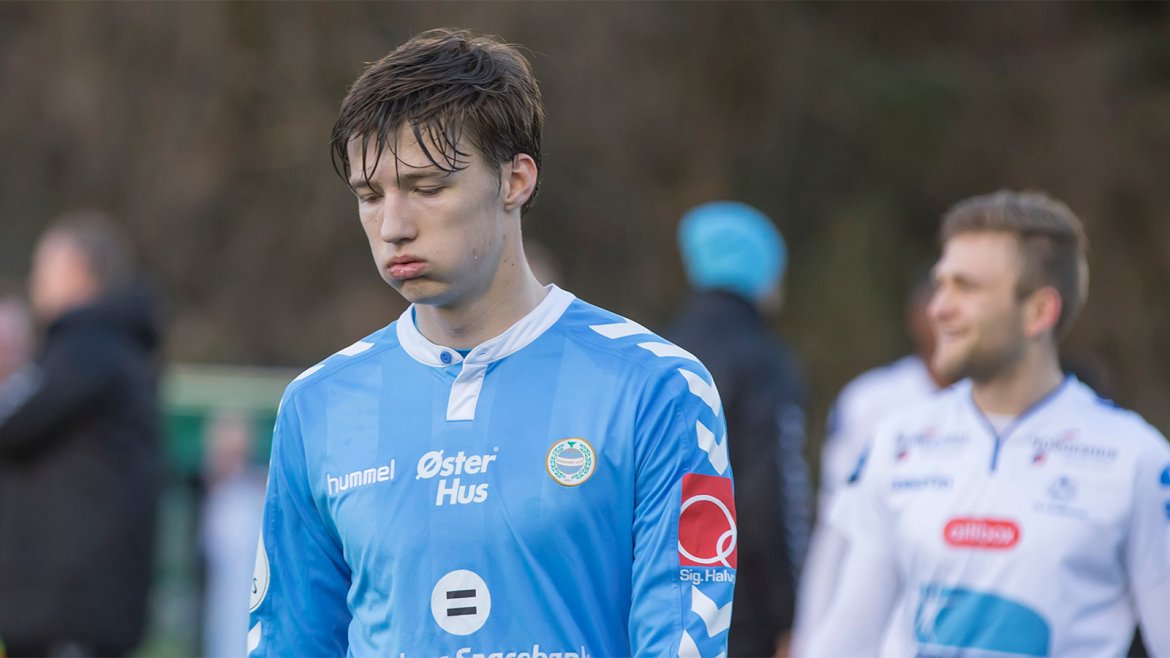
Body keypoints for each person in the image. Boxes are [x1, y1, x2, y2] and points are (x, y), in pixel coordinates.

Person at [249, 29, 736, 658]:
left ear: (515, 180)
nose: (393, 226)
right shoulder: (318, 404)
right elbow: (289, 642)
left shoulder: (658, 387)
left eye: (427, 188)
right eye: (370, 196)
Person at [804, 191, 1170, 657]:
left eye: (967, 287)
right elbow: (846, 638)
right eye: (941, 285)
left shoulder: (1137, 459)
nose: (939, 308)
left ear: (1039, 311)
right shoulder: (898, 440)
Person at [0, 212, 162, 657]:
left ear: (79, 273)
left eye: (44, 267)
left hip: (71, 613)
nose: (34, 280)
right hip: (78, 607)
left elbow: (14, 425)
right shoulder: (108, 350)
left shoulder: (88, 351)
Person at [665, 201, 808, 658]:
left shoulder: (658, 351)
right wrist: (788, 616)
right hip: (741, 614)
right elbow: (772, 496)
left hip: (662, 605)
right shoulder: (763, 361)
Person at [791, 277, 950, 656]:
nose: (947, 318)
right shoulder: (871, 401)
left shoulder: (1001, 411)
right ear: (915, 318)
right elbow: (835, 529)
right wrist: (807, 636)